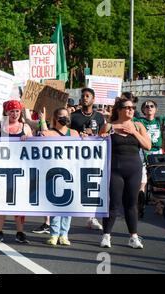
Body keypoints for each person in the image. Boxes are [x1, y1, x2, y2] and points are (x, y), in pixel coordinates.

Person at [99, 97, 151, 249]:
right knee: (114, 203)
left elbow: (148, 145)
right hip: (115, 169)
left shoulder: (138, 125)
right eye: (127, 107)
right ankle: (106, 235)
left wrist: (134, 132)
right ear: (119, 110)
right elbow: (97, 143)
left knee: (131, 204)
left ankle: (133, 237)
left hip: (134, 169)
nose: (131, 110)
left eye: (133, 107)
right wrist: (101, 137)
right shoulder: (109, 126)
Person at [0, 100, 33, 243]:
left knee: (19, 203)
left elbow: (35, 148)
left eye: (17, 111)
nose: (14, 114)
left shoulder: (25, 127)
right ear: (6, 112)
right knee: (1, 202)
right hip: (1, 170)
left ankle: (20, 232)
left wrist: (29, 140)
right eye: (11, 111)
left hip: (20, 171)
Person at [42, 108, 80, 246]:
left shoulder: (74, 133)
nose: (64, 118)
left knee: (67, 204)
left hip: (70, 173)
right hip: (54, 172)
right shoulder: (48, 133)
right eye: (61, 116)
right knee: (56, 204)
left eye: (66, 116)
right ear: (55, 118)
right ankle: (54, 234)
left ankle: (64, 234)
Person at [70, 88, 105, 231]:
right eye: (83, 96)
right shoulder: (73, 116)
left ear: (93, 99)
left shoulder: (99, 117)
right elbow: (66, 133)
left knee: (91, 185)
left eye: (87, 96)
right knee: (73, 184)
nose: (84, 98)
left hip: (93, 156)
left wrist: (94, 134)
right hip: (75, 155)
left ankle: (91, 217)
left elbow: (104, 134)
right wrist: (79, 134)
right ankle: (67, 214)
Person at [134, 99, 165, 205]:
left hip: (157, 152)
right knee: (143, 177)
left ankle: (158, 202)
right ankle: (140, 198)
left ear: (155, 109)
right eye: (146, 106)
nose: (149, 108)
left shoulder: (159, 120)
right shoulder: (139, 121)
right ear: (143, 110)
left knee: (158, 176)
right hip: (144, 151)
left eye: (151, 106)